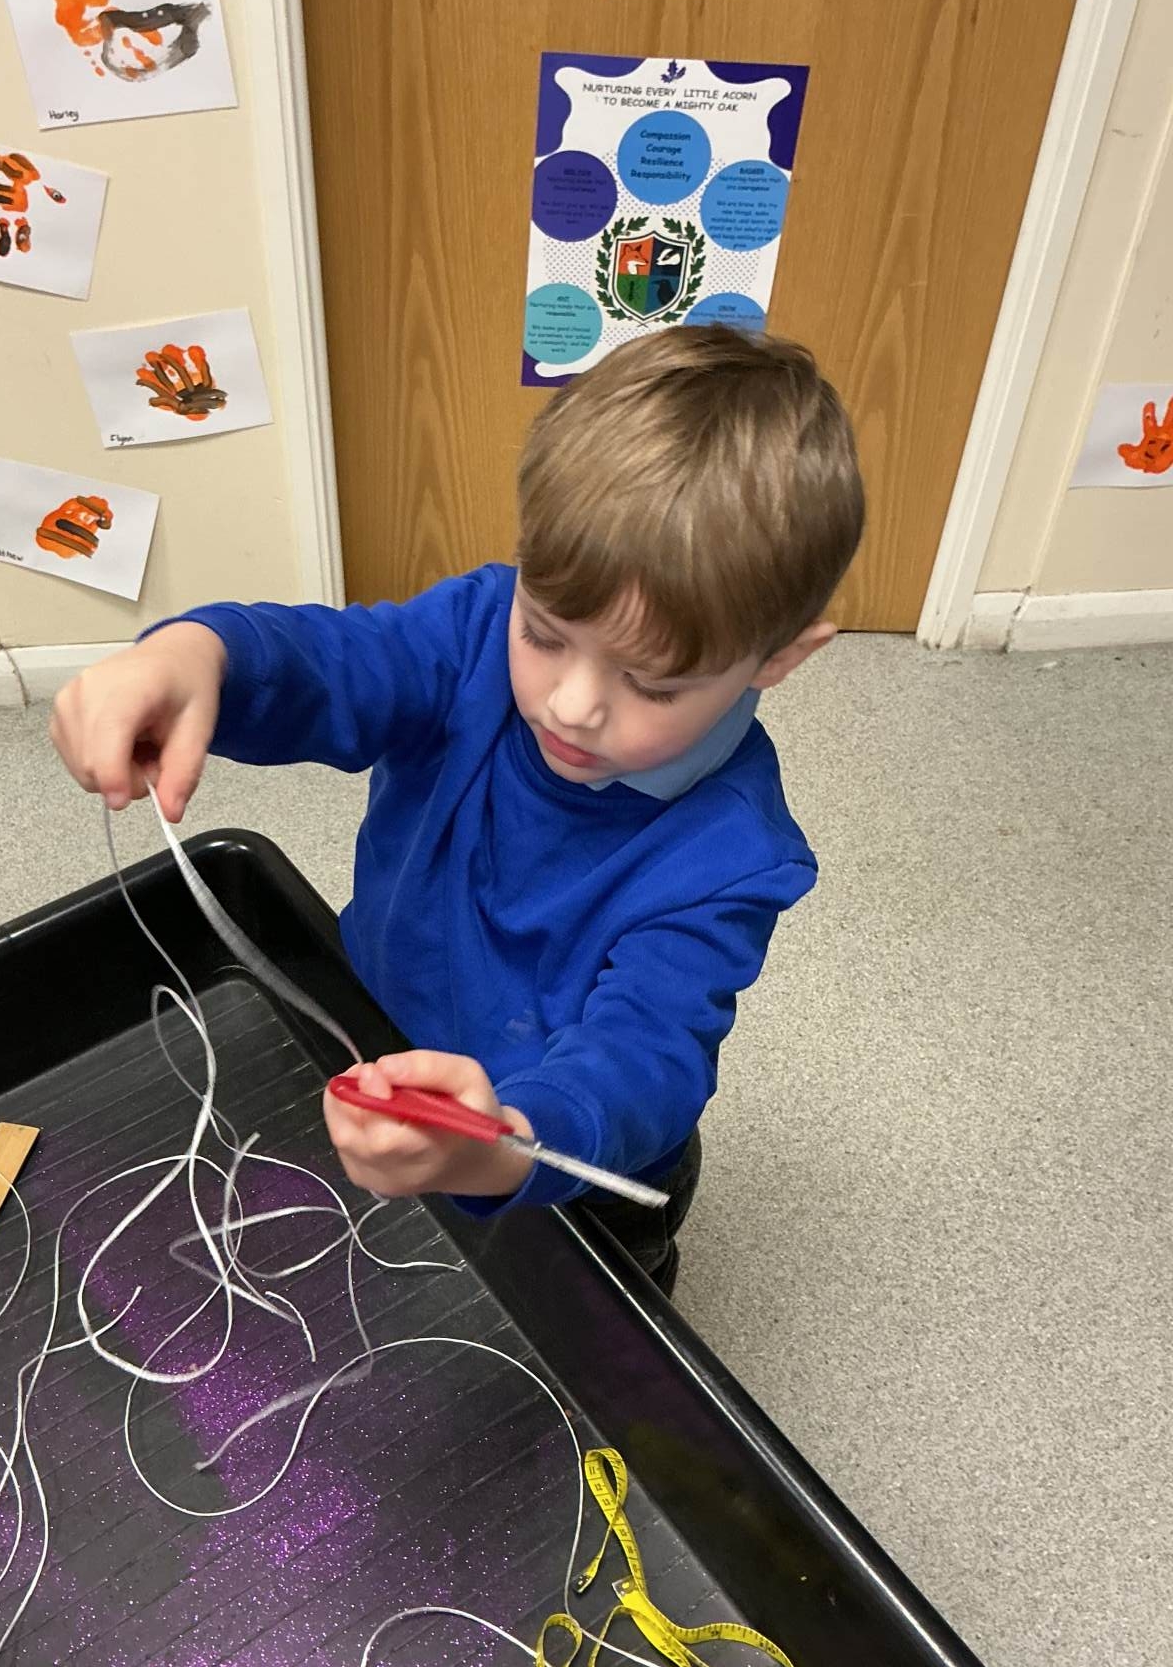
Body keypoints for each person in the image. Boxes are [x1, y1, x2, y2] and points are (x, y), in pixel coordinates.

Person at [50, 326, 864, 1293]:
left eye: (652, 684)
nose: (571, 705)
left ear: (780, 658)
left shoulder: (734, 858)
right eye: (545, 634)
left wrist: (506, 1143)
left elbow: (645, 1055)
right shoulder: (472, 634)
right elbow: (336, 665)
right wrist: (198, 655)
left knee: (577, 1310)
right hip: (385, 1039)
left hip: (564, 1163)